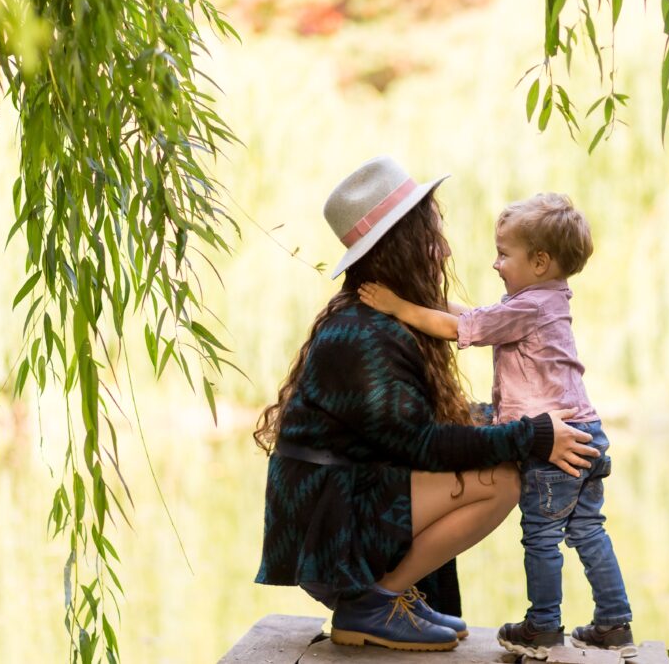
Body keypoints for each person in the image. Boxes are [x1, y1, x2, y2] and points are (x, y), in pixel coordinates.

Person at [252, 156, 600, 653]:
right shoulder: (361, 333)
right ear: (404, 246)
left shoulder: (387, 317)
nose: (445, 250)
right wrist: (533, 435)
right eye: (432, 235)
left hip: (348, 496)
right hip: (328, 525)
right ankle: (373, 601)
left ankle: (387, 596)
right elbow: (421, 444)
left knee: (502, 456)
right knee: (501, 478)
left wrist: (521, 419)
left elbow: (417, 424)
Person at [359, 192, 636, 659]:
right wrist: (423, 298)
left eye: (505, 254)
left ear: (541, 261)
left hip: (555, 440)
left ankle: (544, 625)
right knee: (588, 531)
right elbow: (474, 317)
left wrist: (399, 308)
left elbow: (459, 329)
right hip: (586, 428)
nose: (495, 264)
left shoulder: (527, 307)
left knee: (543, 537)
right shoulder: (546, 300)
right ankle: (614, 621)